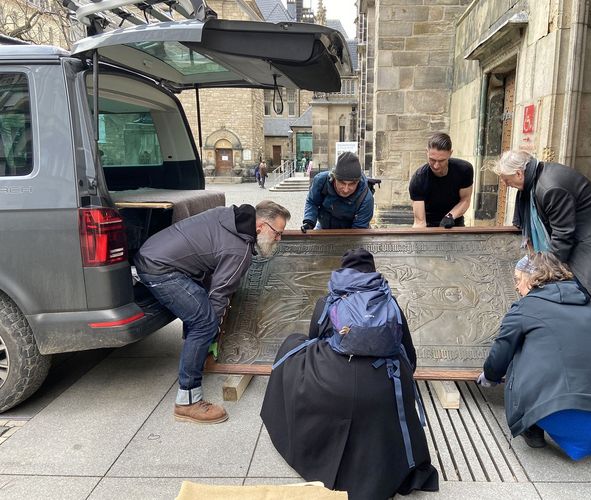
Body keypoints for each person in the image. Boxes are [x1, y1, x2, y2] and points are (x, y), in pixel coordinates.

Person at [261, 249, 439, 500]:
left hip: (333, 386)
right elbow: (409, 354)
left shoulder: (328, 300)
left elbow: (313, 341)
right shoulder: (389, 301)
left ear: (343, 271)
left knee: (293, 342)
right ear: (373, 272)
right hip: (383, 383)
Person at [477, 253, 591, 491]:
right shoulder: (590, 304)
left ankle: (533, 429)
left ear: (533, 279)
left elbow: (500, 353)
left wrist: (490, 376)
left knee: (519, 351)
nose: (515, 285)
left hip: (555, 412)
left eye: (517, 278)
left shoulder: (526, 306)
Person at [134, 200, 290, 424]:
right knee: (204, 322)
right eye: (277, 233)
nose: (278, 239)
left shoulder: (229, 216)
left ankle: (196, 354)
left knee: (199, 312)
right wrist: (213, 333)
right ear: (261, 226)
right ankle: (188, 401)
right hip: (161, 270)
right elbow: (219, 294)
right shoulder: (239, 251)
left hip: (152, 252)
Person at [492, 149, 591, 325]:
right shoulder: (536, 179)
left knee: (590, 293)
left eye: (506, 179)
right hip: (583, 235)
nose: (506, 184)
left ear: (519, 173)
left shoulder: (550, 188)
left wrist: (545, 271)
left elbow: (562, 235)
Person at [409, 132, 473, 228]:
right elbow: (420, 222)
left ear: (450, 153)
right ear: (427, 152)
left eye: (442, 160)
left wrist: (450, 216)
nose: (436, 165)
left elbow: (465, 200)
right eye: (432, 160)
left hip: (454, 222)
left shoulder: (464, 170)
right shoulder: (419, 179)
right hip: (428, 225)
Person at [301, 152, 374, 231]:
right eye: (342, 183)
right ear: (334, 178)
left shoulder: (366, 198)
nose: (346, 190)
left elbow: (359, 230)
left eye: (351, 185)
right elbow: (312, 202)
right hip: (324, 226)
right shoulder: (321, 181)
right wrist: (309, 222)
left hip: (351, 231)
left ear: (358, 182)